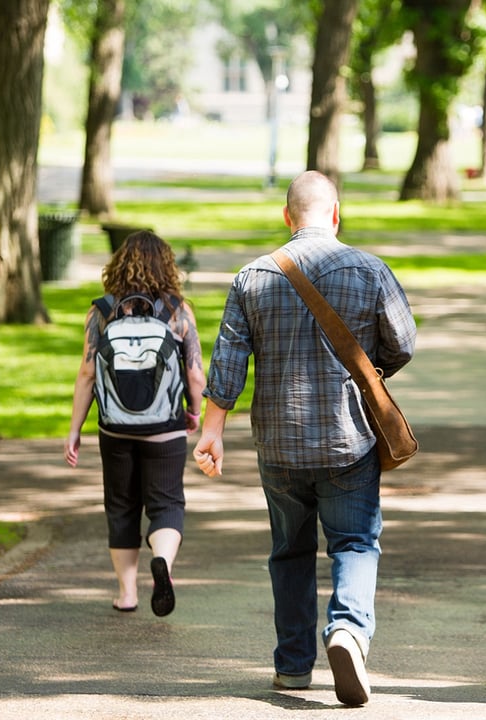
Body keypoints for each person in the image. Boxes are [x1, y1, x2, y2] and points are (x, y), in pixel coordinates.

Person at [193, 170, 416, 706]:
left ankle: (293, 667)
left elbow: (227, 363)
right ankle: (347, 632)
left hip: (279, 443)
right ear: (336, 213)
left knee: (289, 552)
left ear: (287, 217)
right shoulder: (370, 270)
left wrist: (212, 433)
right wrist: (368, 370)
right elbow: (403, 342)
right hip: (349, 438)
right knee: (356, 542)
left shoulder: (252, 278)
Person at [65, 230, 206, 618]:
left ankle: (127, 593)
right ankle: (162, 561)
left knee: (122, 505)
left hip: (115, 428)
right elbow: (195, 375)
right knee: (166, 503)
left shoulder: (101, 311)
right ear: (167, 265)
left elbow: (87, 374)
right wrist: (194, 413)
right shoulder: (178, 310)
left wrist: (75, 429)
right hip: (165, 425)